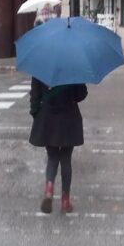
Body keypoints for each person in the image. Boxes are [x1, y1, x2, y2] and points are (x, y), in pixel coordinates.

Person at [29, 78, 88, 214]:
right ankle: (65, 200)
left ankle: (49, 188)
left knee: (52, 157)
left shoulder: (40, 68)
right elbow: (81, 95)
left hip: (48, 117)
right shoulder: (73, 68)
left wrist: (36, 113)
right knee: (66, 159)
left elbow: (35, 96)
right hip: (69, 117)